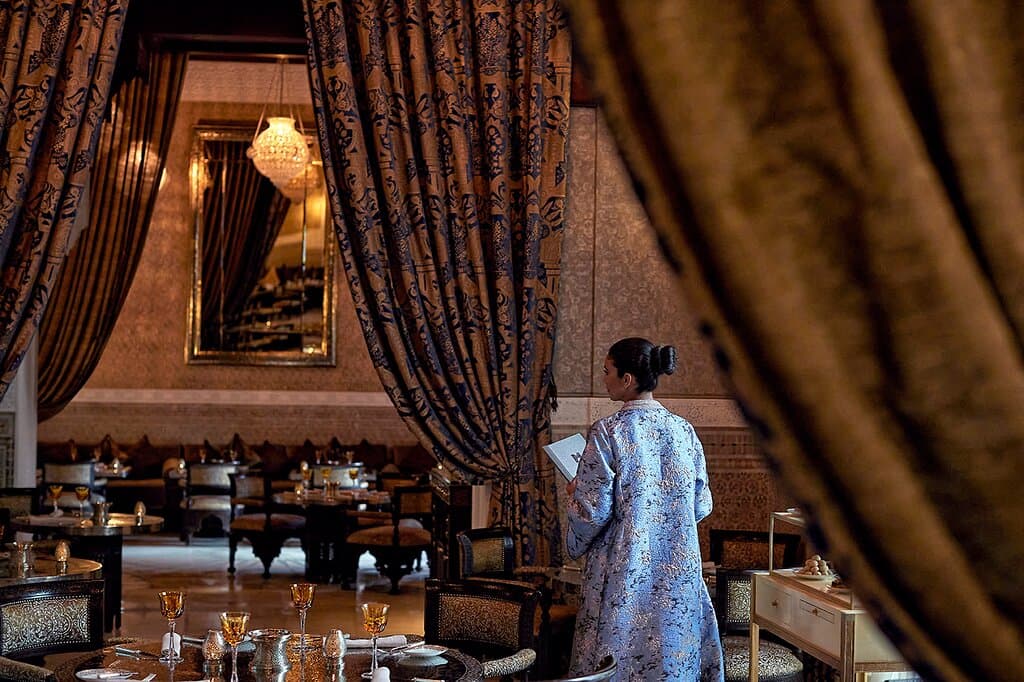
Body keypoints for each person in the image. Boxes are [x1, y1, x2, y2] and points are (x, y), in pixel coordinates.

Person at [566, 337, 724, 681]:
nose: (603, 378)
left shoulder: (608, 431)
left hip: (625, 567)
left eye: (607, 371)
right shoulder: (684, 430)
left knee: (618, 655)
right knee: (672, 653)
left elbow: (592, 512)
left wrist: (576, 493)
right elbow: (701, 504)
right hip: (678, 568)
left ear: (627, 379)